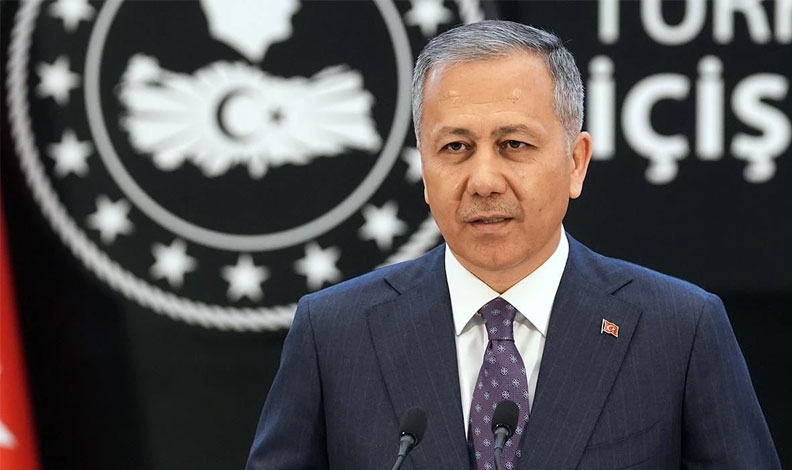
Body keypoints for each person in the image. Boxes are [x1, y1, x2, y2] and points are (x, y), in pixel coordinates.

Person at [245, 21, 781, 470]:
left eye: (514, 144)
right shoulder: (334, 333)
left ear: (576, 162)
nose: (483, 180)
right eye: (455, 147)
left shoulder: (679, 330)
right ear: (424, 169)